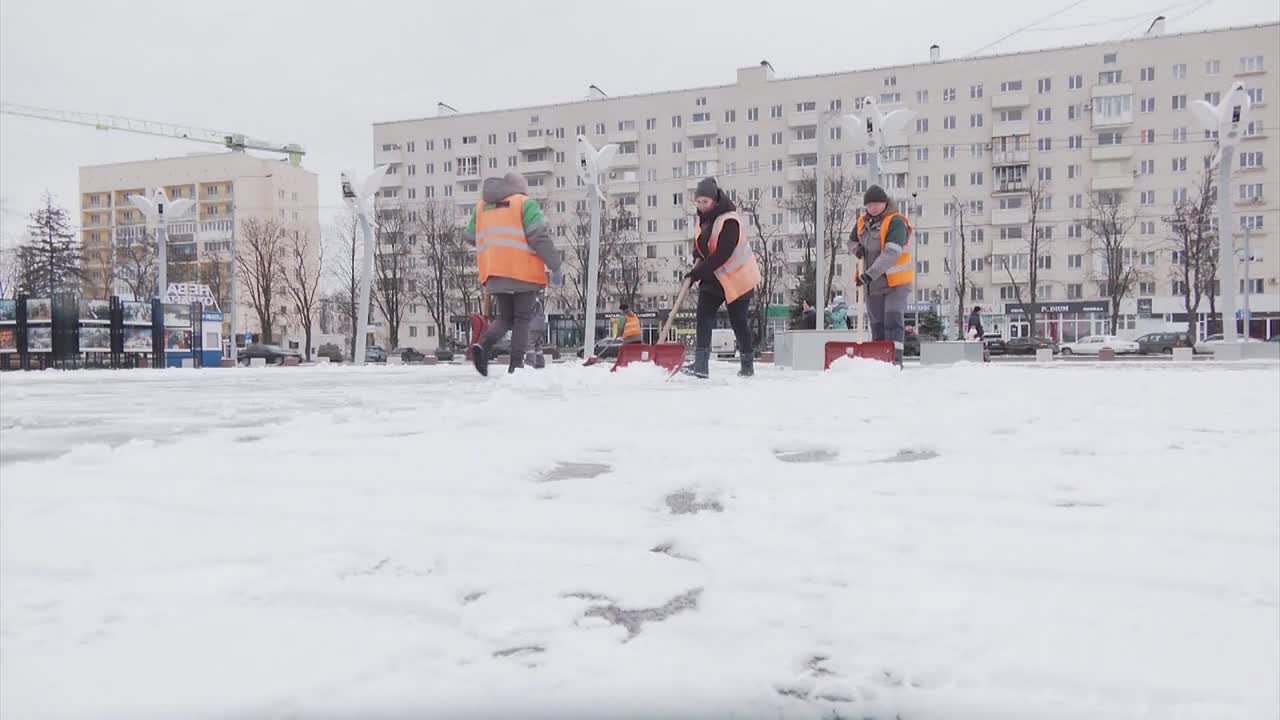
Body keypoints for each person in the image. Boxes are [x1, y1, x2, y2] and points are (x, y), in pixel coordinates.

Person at [465, 172, 563, 376]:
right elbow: (538, 237)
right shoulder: (525, 204)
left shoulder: (481, 207)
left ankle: (483, 345)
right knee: (521, 319)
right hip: (523, 272)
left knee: (504, 318)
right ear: (520, 188)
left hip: (495, 270)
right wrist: (555, 265)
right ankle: (516, 365)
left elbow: (469, 236)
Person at [684, 177, 760, 378]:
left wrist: (697, 273)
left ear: (715, 200)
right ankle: (701, 365)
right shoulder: (703, 218)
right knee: (703, 317)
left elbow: (722, 254)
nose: (701, 206)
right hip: (714, 276)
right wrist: (696, 257)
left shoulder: (730, 221)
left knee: (738, 321)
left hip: (738, 278)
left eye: (705, 202)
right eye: (698, 202)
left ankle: (747, 364)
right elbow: (701, 245)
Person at [851, 184, 913, 366]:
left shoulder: (896, 222)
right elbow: (850, 241)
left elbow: (891, 253)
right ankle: (877, 363)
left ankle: (894, 361)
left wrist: (870, 274)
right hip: (873, 284)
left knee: (892, 320)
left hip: (895, 283)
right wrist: (857, 249)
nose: (873, 208)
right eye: (869, 205)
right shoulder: (863, 222)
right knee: (876, 324)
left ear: (885, 203)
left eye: (876, 204)